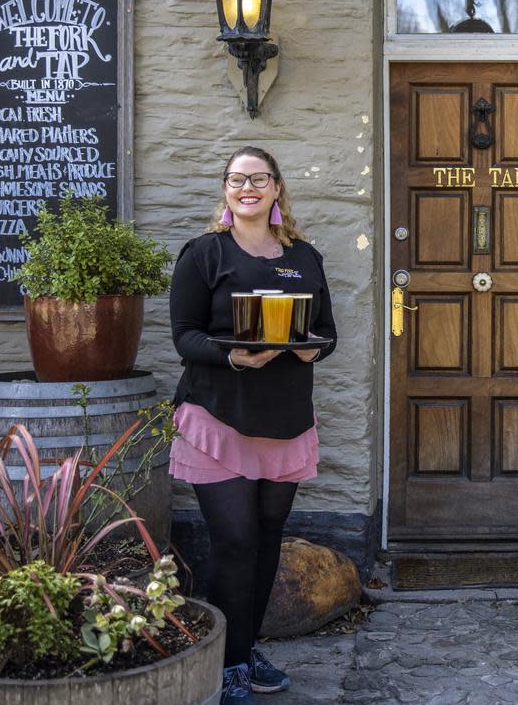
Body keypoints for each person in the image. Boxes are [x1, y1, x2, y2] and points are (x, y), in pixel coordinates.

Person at [169, 146, 336, 702]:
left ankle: (243, 650)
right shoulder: (204, 254)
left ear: (276, 188)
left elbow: (327, 331)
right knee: (235, 540)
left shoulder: (304, 256)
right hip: (218, 415)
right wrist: (233, 357)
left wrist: (314, 350)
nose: (248, 187)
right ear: (225, 190)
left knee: (266, 541)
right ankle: (221, 662)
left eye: (258, 178)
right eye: (237, 179)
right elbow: (185, 336)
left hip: (285, 418)